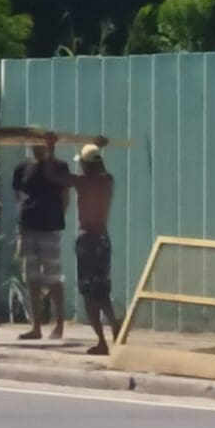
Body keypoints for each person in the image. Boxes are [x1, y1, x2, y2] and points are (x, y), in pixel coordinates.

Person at [46, 140, 121, 355]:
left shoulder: (82, 183)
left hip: (87, 240)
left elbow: (52, 175)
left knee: (88, 293)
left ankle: (101, 341)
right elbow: (99, 168)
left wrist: (49, 148)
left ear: (86, 165)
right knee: (102, 290)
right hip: (103, 240)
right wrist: (98, 147)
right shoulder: (108, 181)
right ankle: (114, 322)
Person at [13, 141, 69, 340]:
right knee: (32, 278)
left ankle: (59, 324)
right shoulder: (22, 168)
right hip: (28, 227)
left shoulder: (59, 167)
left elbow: (65, 195)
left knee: (53, 277)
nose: (37, 147)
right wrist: (21, 223)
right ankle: (35, 326)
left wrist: (56, 217)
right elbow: (18, 196)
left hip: (49, 228)